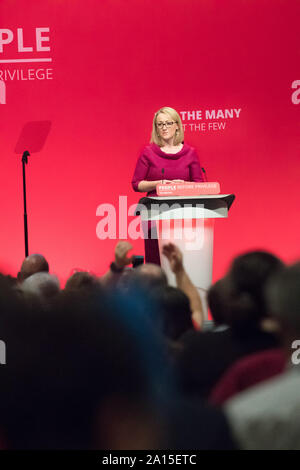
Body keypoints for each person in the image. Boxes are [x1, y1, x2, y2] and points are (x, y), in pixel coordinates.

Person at [132, 106, 204, 264]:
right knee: (157, 261)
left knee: (180, 261)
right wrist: (160, 184)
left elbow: (200, 184)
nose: (164, 128)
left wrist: (183, 186)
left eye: (168, 123)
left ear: (177, 125)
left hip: (183, 213)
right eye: (160, 124)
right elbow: (136, 184)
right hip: (155, 213)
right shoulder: (148, 152)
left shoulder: (190, 153)